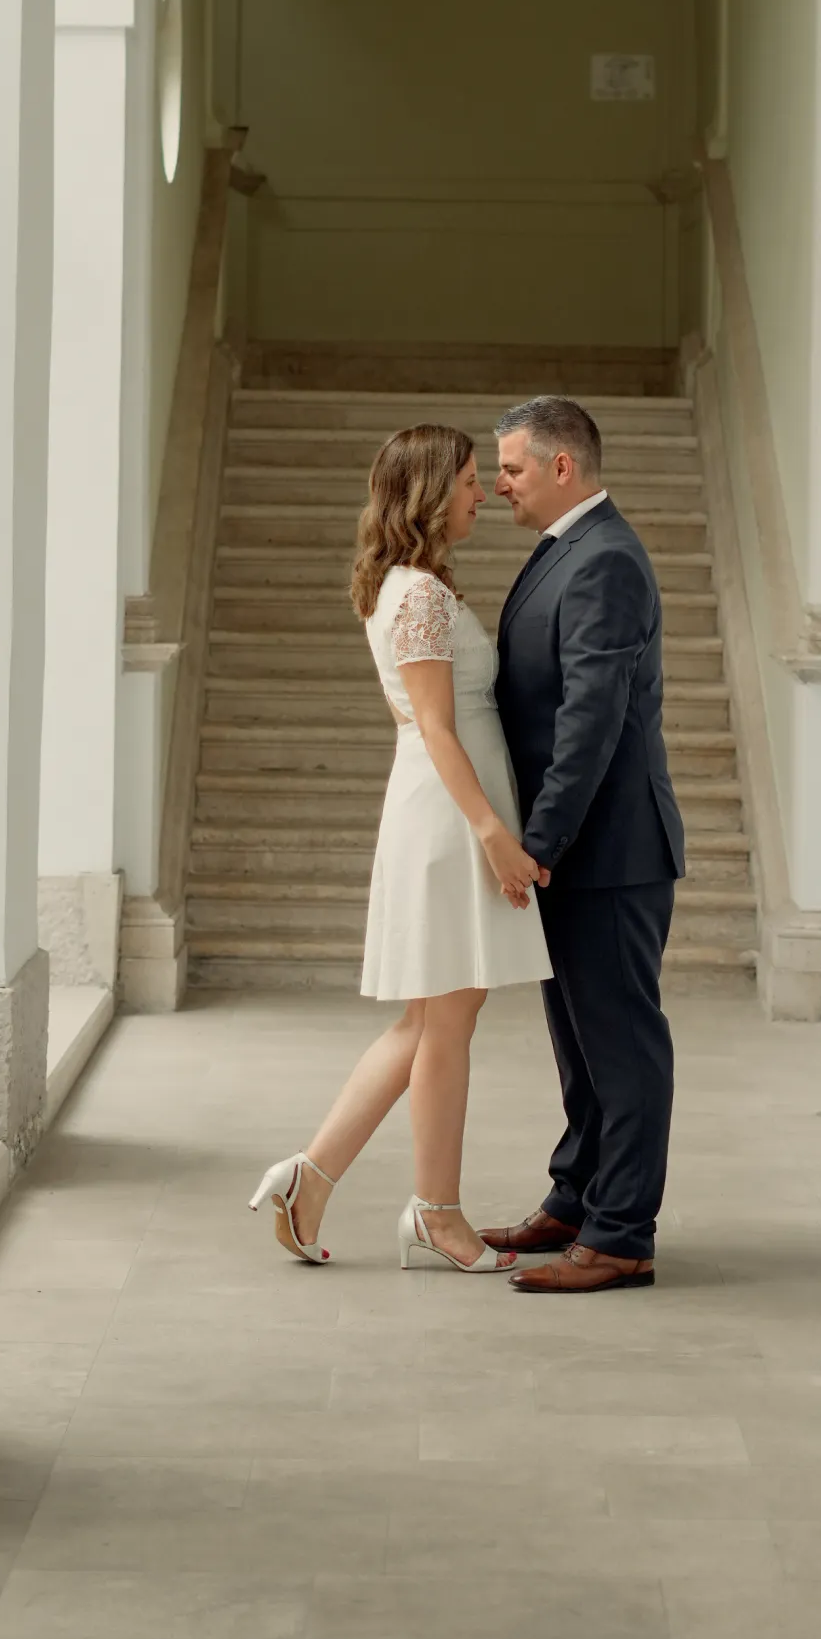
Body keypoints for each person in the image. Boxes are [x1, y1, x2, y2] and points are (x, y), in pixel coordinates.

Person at [249, 424, 550, 1273]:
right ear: (425, 491)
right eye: (465, 479)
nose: (481, 492)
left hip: (447, 814)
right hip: (450, 820)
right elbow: (435, 729)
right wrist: (493, 832)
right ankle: (437, 1215)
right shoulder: (416, 594)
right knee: (446, 1019)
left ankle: (307, 1180)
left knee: (430, 1019)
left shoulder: (416, 586)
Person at [480, 396, 684, 1292]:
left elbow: (590, 724)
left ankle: (622, 1235)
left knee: (622, 1044)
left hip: (609, 851)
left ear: (563, 467)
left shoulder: (605, 562)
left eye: (513, 469)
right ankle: (576, 1198)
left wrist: (541, 839)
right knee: (579, 1043)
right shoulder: (565, 550)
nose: (499, 485)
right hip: (579, 852)